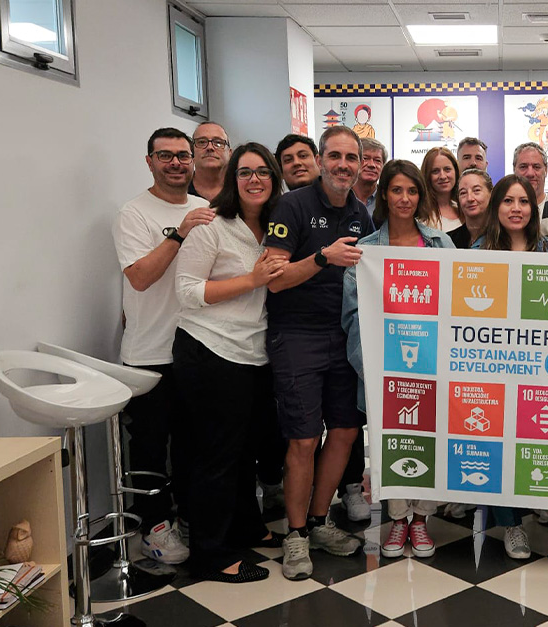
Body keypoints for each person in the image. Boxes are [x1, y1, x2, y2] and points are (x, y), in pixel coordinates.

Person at [172, 142, 288, 583]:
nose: (254, 180)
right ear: (231, 179)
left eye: (263, 172)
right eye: (245, 172)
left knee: (244, 453)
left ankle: (246, 528)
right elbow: (187, 291)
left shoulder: (275, 228)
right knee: (216, 457)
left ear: (274, 178)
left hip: (253, 353)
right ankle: (211, 553)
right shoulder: (211, 225)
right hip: (211, 351)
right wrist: (251, 279)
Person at [264, 126, 373, 581]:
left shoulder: (360, 213)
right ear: (321, 159)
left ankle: (317, 521)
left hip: (345, 336)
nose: (343, 165)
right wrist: (323, 258)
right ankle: (294, 535)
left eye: (351, 157)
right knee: (304, 439)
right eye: (335, 156)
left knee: (345, 432)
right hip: (297, 336)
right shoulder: (292, 206)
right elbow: (273, 280)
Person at [473, 175, 548, 575]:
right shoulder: (478, 251)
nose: (516, 208)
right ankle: (511, 525)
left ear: (533, 208)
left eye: (523, 201)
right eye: (508, 201)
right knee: (501, 444)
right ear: (496, 207)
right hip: (498, 367)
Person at [343, 160, 454, 558]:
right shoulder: (365, 250)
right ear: (384, 196)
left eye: (412, 191)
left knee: (431, 441)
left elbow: (456, 306)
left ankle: (421, 519)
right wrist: (370, 369)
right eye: (396, 190)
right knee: (390, 443)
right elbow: (352, 316)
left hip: (433, 364)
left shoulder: (440, 244)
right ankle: (397, 520)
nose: (404, 198)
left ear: (421, 196)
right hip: (385, 368)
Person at [113, 127, 212, 565]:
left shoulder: (206, 208)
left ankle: (190, 517)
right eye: (165, 155)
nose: (175, 163)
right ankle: (153, 528)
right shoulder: (133, 213)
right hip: (150, 351)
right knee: (151, 446)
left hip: (199, 346)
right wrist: (179, 233)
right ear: (149, 161)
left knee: (193, 442)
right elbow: (139, 277)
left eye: (182, 155)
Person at [448, 168, 492, 250]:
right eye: (463, 193)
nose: (469, 198)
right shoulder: (448, 240)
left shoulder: (504, 237)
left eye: (476, 190)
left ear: (491, 194)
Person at [420, 147, 461, 232]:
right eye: (435, 171)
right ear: (427, 176)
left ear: (456, 171)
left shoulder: (464, 207)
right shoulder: (422, 215)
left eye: (447, 169)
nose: (442, 176)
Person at [190, 122, 231, 201]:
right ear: (192, 152)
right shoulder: (178, 189)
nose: (210, 147)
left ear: (230, 153)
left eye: (218, 143)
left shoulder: (241, 189)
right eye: (202, 142)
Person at [354, 137, 387, 216]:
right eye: (365, 158)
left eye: (377, 160)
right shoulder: (340, 197)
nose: (371, 165)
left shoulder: (388, 200)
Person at [511, 142, 548, 209]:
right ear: (514, 169)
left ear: (546, 170)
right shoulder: (504, 210)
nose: (530, 173)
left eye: (536, 167)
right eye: (523, 167)